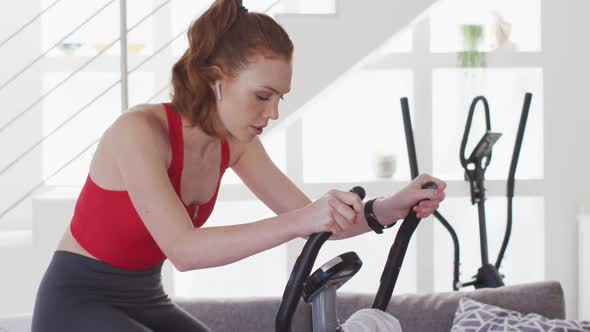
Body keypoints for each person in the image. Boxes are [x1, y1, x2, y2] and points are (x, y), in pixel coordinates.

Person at [31, 0, 446, 331]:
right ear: (216, 79)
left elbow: (318, 222)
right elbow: (185, 251)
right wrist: (305, 219)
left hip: (145, 295)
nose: (274, 112)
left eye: (281, 97)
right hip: (78, 299)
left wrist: (391, 206)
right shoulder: (138, 132)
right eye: (263, 95)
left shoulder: (236, 144)